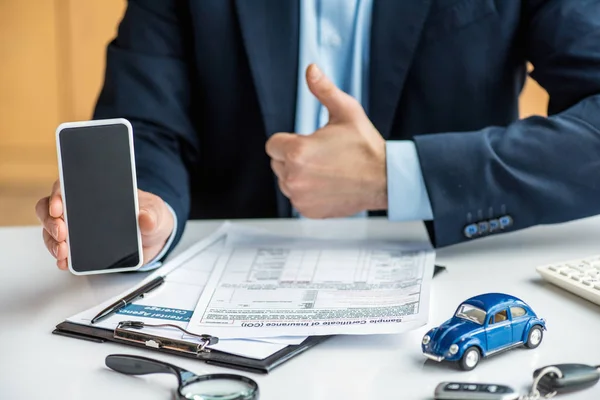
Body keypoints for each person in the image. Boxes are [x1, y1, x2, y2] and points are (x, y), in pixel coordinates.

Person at [36, 0, 600, 271]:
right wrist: (148, 213)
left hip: (453, 279)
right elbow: (148, 124)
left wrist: (399, 176)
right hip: (222, 293)